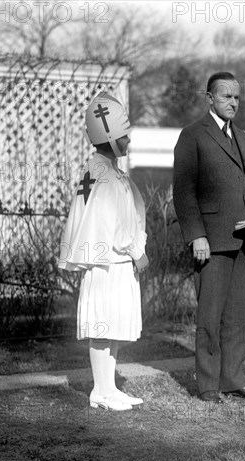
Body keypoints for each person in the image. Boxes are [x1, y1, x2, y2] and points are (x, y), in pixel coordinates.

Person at [173, 72, 245, 403]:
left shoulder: (243, 138)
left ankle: (234, 379)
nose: (233, 102)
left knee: (238, 318)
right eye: (226, 96)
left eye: (237, 97)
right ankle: (209, 386)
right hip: (211, 241)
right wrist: (196, 236)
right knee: (210, 317)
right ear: (209, 98)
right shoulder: (192, 136)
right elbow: (184, 192)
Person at [59, 91, 149, 411]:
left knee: (112, 325)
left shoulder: (108, 172)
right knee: (103, 325)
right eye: (124, 137)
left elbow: (130, 214)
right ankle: (100, 390)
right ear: (109, 139)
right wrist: (137, 251)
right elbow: (118, 225)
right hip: (107, 262)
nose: (128, 142)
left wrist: (134, 249)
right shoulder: (103, 175)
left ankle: (109, 387)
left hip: (116, 262)